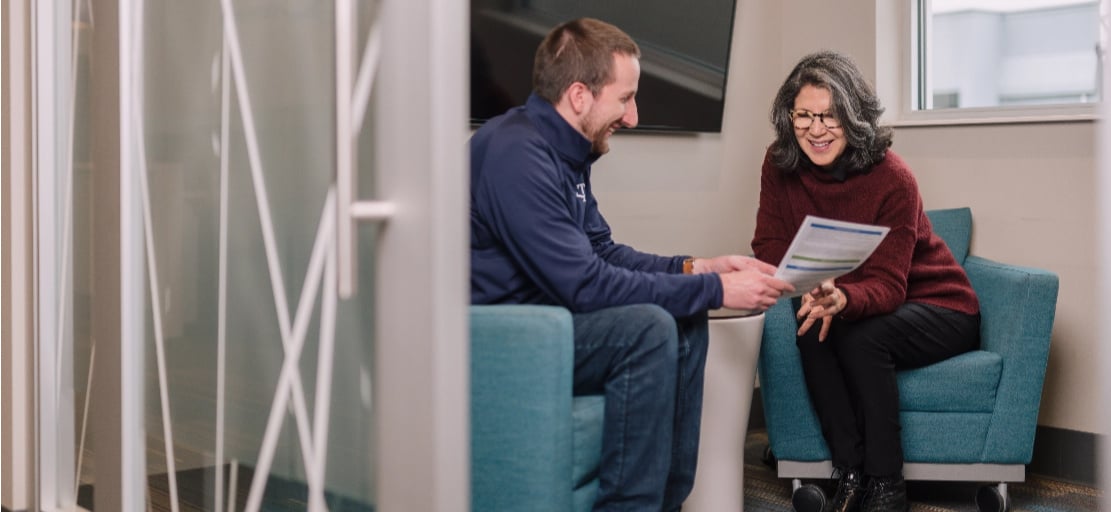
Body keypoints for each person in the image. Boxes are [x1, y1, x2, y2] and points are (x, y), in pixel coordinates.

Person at [470, 17, 794, 511]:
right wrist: (719, 292)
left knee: (683, 319)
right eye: (625, 98)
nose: (633, 116)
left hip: (552, 318)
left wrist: (698, 269)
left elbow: (603, 251)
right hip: (507, 336)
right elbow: (584, 284)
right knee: (646, 330)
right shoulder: (516, 154)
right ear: (579, 95)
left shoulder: (562, 153)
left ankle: (666, 501)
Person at [752, 50, 981, 512]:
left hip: (940, 305)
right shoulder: (779, 165)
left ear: (853, 116)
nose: (815, 130)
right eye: (804, 116)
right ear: (788, 117)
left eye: (829, 116)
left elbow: (891, 286)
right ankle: (850, 472)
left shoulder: (893, 178)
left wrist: (844, 296)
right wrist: (812, 285)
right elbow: (769, 246)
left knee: (861, 338)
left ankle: (886, 485)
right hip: (852, 299)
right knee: (811, 330)